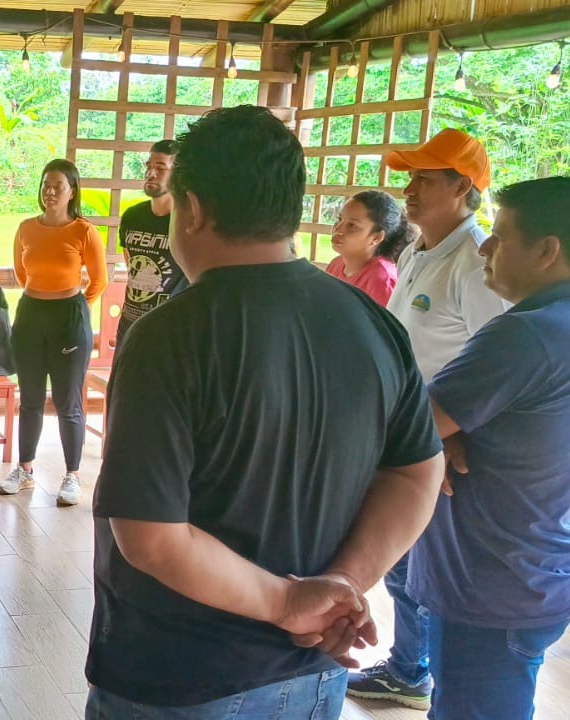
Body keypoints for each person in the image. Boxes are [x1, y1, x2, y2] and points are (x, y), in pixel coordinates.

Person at [85, 105, 446, 719]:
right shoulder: (371, 324)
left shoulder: (171, 334)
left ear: (193, 209)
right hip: (315, 673)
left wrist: (287, 602)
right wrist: (343, 585)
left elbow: (150, 536)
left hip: (180, 676)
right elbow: (418, 472)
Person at [411, 177, 570, 719]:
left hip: (495, 585)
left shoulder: (526, 334)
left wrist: (435, 435)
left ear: (547, 251)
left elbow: (407, 428)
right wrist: (444, 435)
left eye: (499, 237)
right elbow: (430, 425)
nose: (484, 249)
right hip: (523, 570)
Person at [348, 129, 508, 711]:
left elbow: (496, 363)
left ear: (463, 188)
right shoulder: (417, 252)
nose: (410, 190)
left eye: (426, 179)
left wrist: (453, 435)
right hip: (409, 433)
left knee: (426, 569)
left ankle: (422, 674)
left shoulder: (476, 262)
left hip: (442, 444)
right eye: (411, 177)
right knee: (403, 565)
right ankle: (410, 668)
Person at [0, 159, 107, 507]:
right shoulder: (26, 228)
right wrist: (42, 297)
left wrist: (77, 308)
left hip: (69, 318)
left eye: (58, 186)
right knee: (30, 398)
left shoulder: (83, 231)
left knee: (67, 401)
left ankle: (72, 474)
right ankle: (25, 470)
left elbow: (100, 280)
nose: (51, 191)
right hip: (31, 314)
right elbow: (21, 271)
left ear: (72, 191)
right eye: (46, 184)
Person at [117, 139, 186, 346]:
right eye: (149, 165)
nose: (151, 173)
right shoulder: (132, 216)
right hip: (130, 323)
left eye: (161, 168)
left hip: (169, 329)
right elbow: (131, 265)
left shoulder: (187, 221)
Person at [326, 190, 413, 306]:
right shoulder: (335, 265)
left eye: (352, 225)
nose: (338, 229)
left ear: (376, 237)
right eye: (339, 219)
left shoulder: (382, 279)